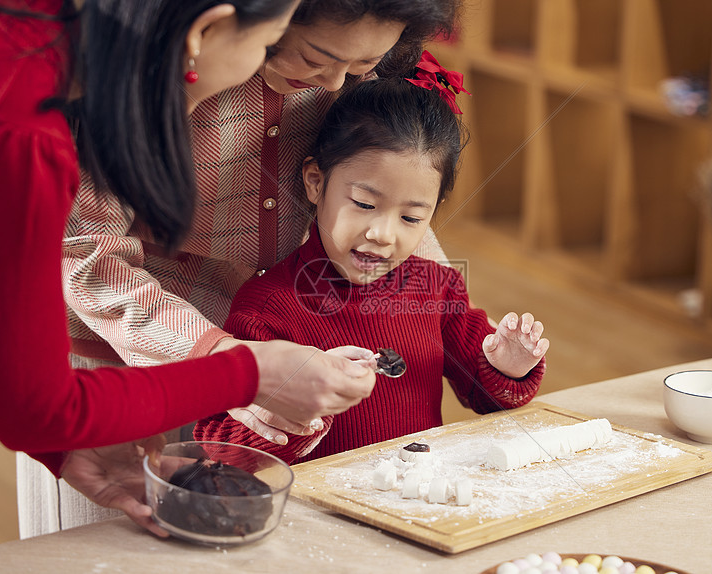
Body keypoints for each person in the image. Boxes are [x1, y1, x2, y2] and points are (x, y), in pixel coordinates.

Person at [0, 0, 377, 538]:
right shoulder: (24, 133)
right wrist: (249, 372)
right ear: (203, 31)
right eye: (266, 43)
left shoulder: (10, 32)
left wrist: (63, 445)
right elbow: (34, 407)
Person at [37, 0, 460, 537]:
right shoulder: (149, 78)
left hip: (275, 354)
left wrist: (443, 308)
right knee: (113, 543)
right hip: (120, 351)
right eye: (316, 57)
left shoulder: (351, 74)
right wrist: (228, 360)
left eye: (358, 67)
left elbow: (388, 196)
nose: (334, 85)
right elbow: (81, 253)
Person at [195, 58, 550, 463]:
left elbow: (487, 397)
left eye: (411, 217)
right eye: (364, 204)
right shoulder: (265, 306)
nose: (383, 234)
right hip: (318, 519)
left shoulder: (436, 288)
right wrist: (298, 405)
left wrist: (509, 365)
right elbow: (221, 448)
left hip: (415, 502)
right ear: (315, 182)